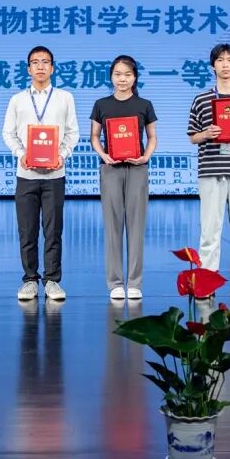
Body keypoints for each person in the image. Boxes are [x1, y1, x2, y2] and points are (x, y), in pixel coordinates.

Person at [2, 45, 80, 302]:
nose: (40, 66)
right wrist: (21, 154)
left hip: (55, 175)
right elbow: (8, 133)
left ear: (52, 68)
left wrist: (62, 155)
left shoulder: (65, 97)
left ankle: (53, 280)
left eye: (45, 62)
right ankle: (29, 280)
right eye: (35, 62)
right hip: (26, 175)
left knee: (53, 230)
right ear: (28, 69)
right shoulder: (17, 99)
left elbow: (73, 132)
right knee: (27, 231)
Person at [186, 44, 230, 300]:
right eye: (220, 60)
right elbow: (192, 136)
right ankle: (207, 277)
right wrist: (206, 133)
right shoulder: (201, 99)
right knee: (210, 229)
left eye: (229, 60)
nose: (225, 64)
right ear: (213, 65)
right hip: (211, 169)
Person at [89, 55, 157, 301]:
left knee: (136, 226)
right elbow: (94, 137)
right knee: (113, 226)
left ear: (135, 77)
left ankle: (135, 282)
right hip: (111, 169)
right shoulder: (101, 104)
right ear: (111, 77)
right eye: (118, 74)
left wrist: (145, 156)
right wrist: (104, 155)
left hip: (137, 169)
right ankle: (116, 283)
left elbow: (152, 137)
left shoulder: (144, 104)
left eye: (127, 74)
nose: (122, 79)